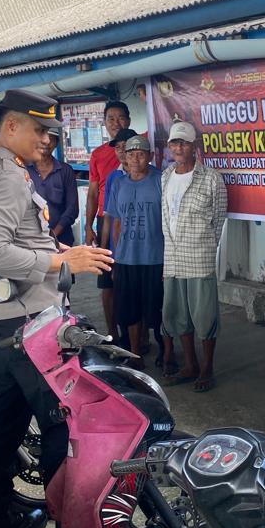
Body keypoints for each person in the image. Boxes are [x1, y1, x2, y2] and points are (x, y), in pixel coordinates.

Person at [0, 89, 113, 528]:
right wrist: (61, 264)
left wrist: (53, 248)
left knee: (2, 426)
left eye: (51, 132)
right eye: (40, 129)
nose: (47, 139)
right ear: (11, 127)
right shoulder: (5, 174)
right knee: (63, 431)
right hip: (28, 326)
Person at [160, 121, 227, 393]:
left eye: (184, 143)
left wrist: (206, 247)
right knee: (179, 315)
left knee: (204, 315)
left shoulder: (211, 178)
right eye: (174, 143)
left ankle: (207, 367)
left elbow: (219, 220)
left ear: (195, 147)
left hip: (198, 256)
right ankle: (190, 365)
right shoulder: (165, 177)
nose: (178, 147)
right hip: (172, 257)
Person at [107, 134, 164, 370]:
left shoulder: (161, 180)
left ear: (150, 156)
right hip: (126, 258)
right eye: (131, 154)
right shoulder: (119, 183)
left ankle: (164, 351)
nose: (136, 159)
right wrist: (115, 258)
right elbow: (116, 223)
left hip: (155, 257)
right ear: (125, 158)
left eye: (141, 154)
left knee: (157, 310)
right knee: (130, 309)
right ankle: (135, 353)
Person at [85, 101, 132, 340]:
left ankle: (137, 335)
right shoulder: (99, 154)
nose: (116, 123)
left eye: (121, 118)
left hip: (133, 222)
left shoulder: (137, 145)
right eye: (111, 119)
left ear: (129, 120)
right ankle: (112, 331)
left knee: (131, 281)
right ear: (104, 123)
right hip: (105, 222)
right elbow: (93, 193)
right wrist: (88, 227)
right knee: (107, 282)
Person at [27, 127, 79, 246]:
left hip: (62, 240)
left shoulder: (65, 171)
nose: (46, 142)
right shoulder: (23, 169)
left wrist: (53, 234)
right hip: (30, 240)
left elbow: (72, 210)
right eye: (42, 138)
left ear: (56, 143)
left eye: (52, 139)